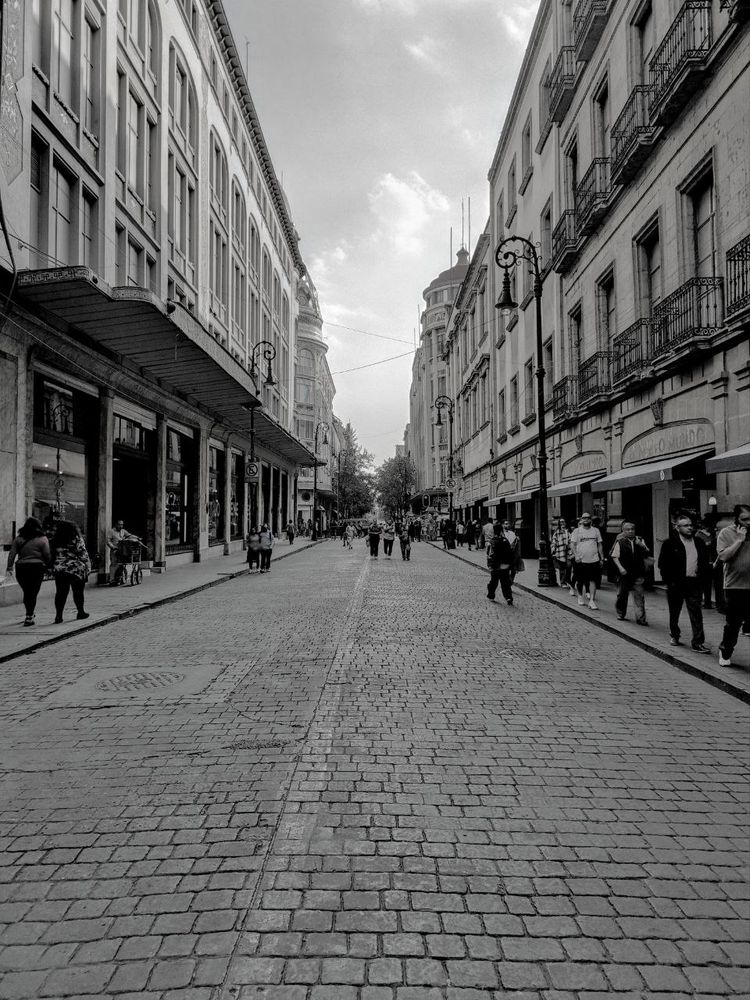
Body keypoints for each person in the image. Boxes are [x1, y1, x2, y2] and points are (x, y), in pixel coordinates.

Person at [658, 514, 711, 653]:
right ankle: (675, 634)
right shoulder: (669, 543)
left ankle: (698, 642)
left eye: (691, 525)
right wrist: (670, 582)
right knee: (675, 612)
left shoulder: (699, 542)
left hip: (694, 582)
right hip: (676, 584)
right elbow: (663, 565)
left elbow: (705, 563)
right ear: (677, 527)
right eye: (685, 525)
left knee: (696, 613)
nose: (690, 528)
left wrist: (702, 579)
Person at [717, 504, 750, 668]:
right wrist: (739, 540)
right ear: (736, 519)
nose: (749, 523)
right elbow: (723, 557)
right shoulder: (726, 533)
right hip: (734, 586)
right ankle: (725, 650)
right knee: (733, 623)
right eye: (745, 519)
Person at [5, 516, 52, 626]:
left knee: (27, 592)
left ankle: (29, 613)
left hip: (22, 568)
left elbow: (12, 554)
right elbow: (47, 555)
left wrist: (9, 567)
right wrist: (49, 566)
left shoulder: (18, 539)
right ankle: (29, 616)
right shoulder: (42, 539)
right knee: (33, 592)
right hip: (37, 568)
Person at [50, 520, 91, 623]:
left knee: (60, 592)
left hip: (60, 569)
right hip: (75, 569)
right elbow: (83, 554)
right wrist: (88, 566)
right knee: (78, 592)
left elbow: (51, 554)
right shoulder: (76, 539)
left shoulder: (55, 540)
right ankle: (80, 612)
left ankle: (58, 616)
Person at [610, 521, 650, 626]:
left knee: (639, 596)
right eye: (628, 530)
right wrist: (620, 568)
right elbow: (615, 556)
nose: (631, 531)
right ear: (624, 531)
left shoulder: (640, 540)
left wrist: (641, 545)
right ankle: (621, 613)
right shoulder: (620, 541)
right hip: (625, 573)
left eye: (632, 529)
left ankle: (641, 618)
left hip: (638, 572)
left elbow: (647, 552)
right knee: (622, 595)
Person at [570, 512, 604, 610]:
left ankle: (592, 601)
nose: (586, 520)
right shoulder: (577, 531)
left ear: (590, 520)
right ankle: (580, 596)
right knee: (580, 580)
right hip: (581, 560)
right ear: (581, 520)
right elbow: (572, 544)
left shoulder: (596, 531)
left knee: (593, 580)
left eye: (588, 518)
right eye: (584, 518)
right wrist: (576, 555)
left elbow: (600, 544)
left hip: (594, 559)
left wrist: (601, 558)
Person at [486, 523, 514, 605]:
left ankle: (491, 595)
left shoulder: (492, 541)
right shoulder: (505, 541)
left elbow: (489, 554)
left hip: (495, 565)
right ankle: (508, 597)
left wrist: (490, 565)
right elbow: (510, 553)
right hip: (504, 565)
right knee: (505, 582)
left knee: (494, 581)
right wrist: (510, 563)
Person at [107, 519, 137, 585]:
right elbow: (108, 541)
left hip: (123, 550)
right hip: (115, 550)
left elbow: (129, 535)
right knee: (114, 564)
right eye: (119, 524)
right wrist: (113, 547)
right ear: (116, 525)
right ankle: (112, 580)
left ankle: (119, 578)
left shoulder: (123, 531)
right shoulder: (111, 531)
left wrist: (137, 538)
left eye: (122, 525)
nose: (121, 526)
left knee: (121, 564)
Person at [550, 518, 572, 589]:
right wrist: (553, 549)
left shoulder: (568, 531)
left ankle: (568, 581)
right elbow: (554, 541)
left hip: (568, 552)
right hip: (560, 552)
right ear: (559, 524)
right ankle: (563, 582)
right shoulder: (557, 532)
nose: (562, 523)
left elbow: (571, 541)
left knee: (569, 567)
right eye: (561, 522)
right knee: (562, 568)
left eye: (563, 522)